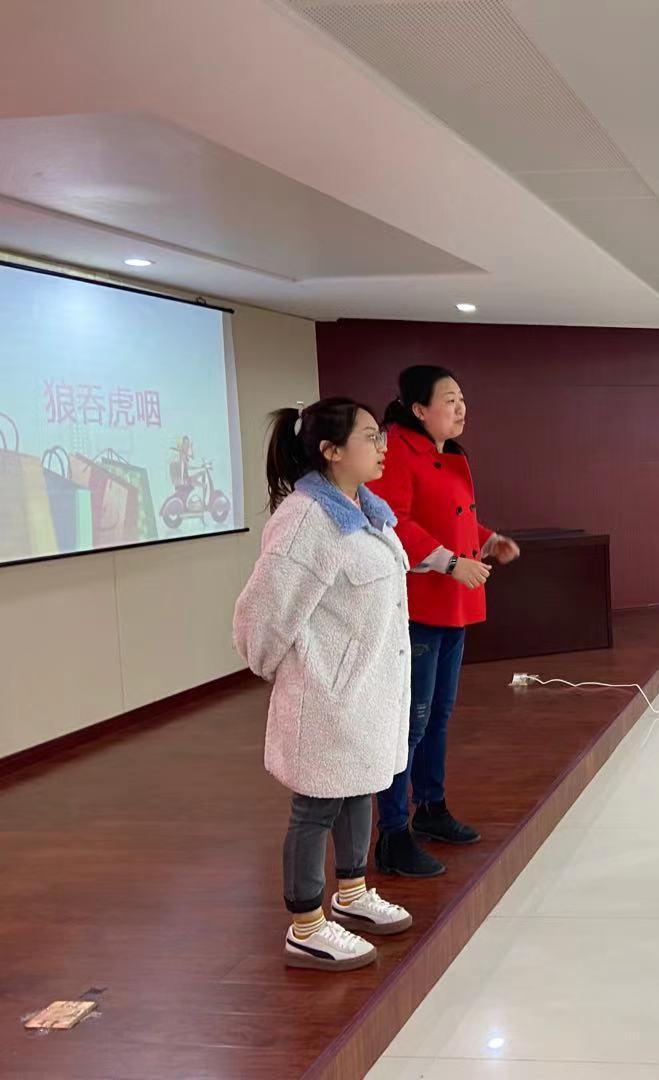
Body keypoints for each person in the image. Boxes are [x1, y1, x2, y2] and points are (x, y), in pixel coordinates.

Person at [233, 398, 413, 971]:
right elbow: (262, 613)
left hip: (367, 692)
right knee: (316, 806)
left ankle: (352, 893)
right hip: (328, 694)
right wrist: (289, 670)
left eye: (381, 436)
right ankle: (306, 926)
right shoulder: (306, 519)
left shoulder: (369, 512)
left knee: (360, 787)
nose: (382, 447)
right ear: (331, 451)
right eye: (370, 436)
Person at [367, 365, 521, 877]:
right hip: (418, 606)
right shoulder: (396, 450)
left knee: (438, 715)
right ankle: (393, 833)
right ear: (418, 409)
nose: (460, 408)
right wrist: (452, 563)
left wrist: (488, 540)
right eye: (449, 399)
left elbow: (454, 516)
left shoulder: (447, 453)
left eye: (462, 398)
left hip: (450, 605)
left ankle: (431, 808)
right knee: (409, 722)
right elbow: (394, 522)